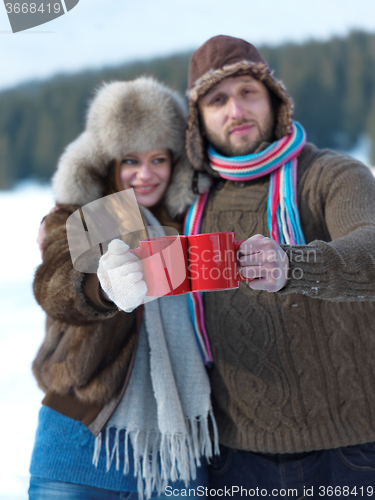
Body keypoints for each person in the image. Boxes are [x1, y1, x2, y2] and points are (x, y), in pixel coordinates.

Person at [162, 35, 375, 496]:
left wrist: (293, 265)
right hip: (234, 460)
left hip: (351, 451)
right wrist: (61, 222)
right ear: (197, 120)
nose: (235, 111)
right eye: (217, 100)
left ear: (275, 101)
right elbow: (117, 199)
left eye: (247, 93)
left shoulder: (331, 174)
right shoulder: (188, 206)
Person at [29, 77, 216, 500]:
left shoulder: (193, 223)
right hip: (82, 444)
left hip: (178, 457)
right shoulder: (83, 217)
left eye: (159, 160)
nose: (145, 175)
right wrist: (104, 289)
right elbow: (55, 285)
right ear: (110, 161)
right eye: (131, 160)